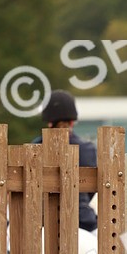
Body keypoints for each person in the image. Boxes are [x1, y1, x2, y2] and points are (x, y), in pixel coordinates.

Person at [32, 89, 97, 233]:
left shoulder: (33, 148)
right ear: (72, 122)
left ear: (49, 123)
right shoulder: (87, 148)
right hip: (82, 221)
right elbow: (92, 190)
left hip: (38, 221)